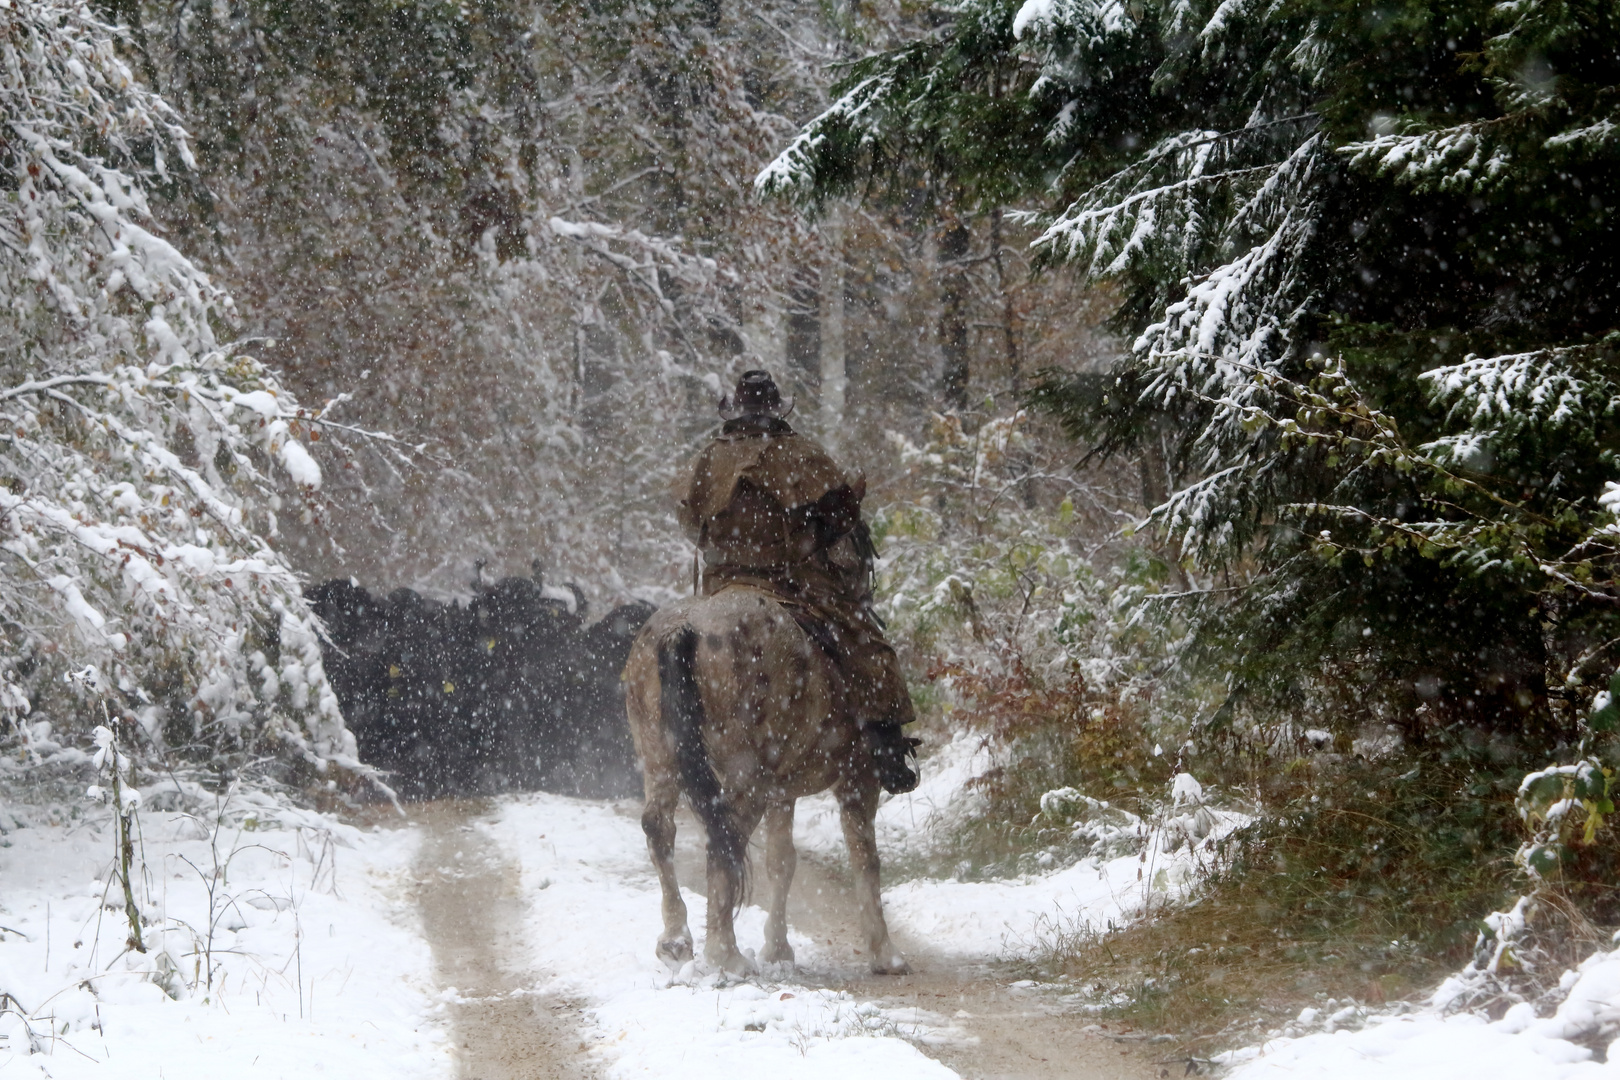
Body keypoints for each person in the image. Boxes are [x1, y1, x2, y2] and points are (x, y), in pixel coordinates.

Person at [678, 369, 921, 793]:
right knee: (868, 646)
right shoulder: (800, 454)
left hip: (723, 584)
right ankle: (886, 749)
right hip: (792, 582)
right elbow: (842, 517)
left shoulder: (708, 458)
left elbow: (688, 521)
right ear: (775, 409)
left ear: (737, 409)